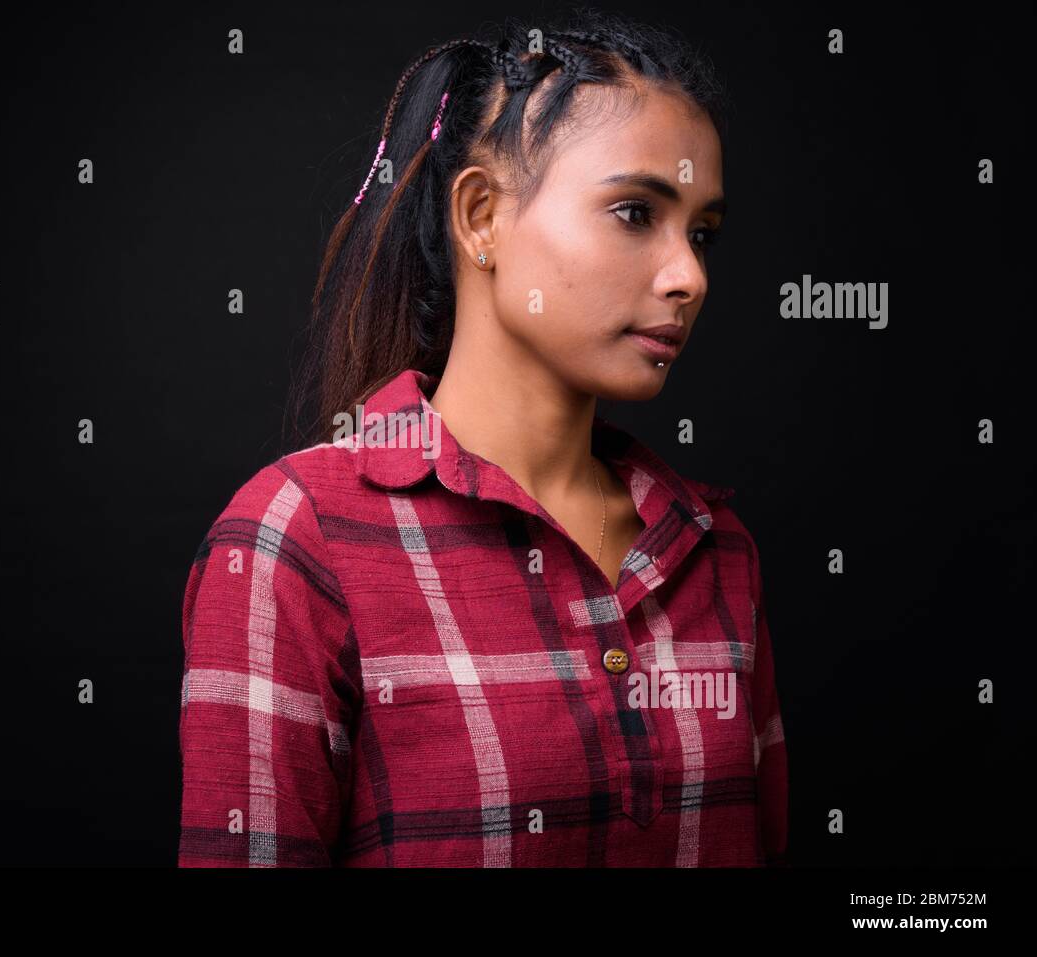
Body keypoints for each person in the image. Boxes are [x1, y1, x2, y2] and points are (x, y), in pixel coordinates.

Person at [178, 10, 786, 867]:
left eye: (702, 233)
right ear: (480, 217)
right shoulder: (297, 541)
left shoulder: (714, 550)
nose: (689, 275)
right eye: (634, 211)